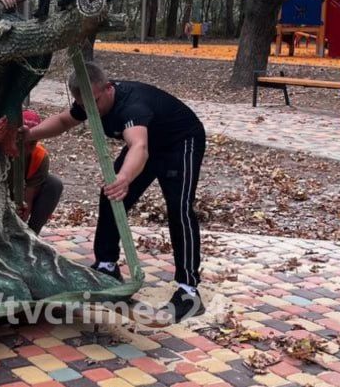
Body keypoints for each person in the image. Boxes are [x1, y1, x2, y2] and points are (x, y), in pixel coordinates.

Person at [23, 63, 207, 323]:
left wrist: (124, 177)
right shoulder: (90, 100)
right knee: (110, 196)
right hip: (146, 147)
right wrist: (28, 135)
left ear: (108, 89)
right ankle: (107, 266)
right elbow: (64, 121)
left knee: (179, 210)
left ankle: (189, 291)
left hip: (180, 143)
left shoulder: (132, 106)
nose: (90, 111)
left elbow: (139, 146)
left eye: (95, 103)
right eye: (84, 105)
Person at [18, 110, 63, 233]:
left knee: (54, 184)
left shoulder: (40, 156)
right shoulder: (2, 150)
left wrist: (24, 210)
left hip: (24, 190)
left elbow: (29, 196)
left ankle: (31, 235)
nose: (25, 149)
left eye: (31, 144)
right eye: (22, 142)